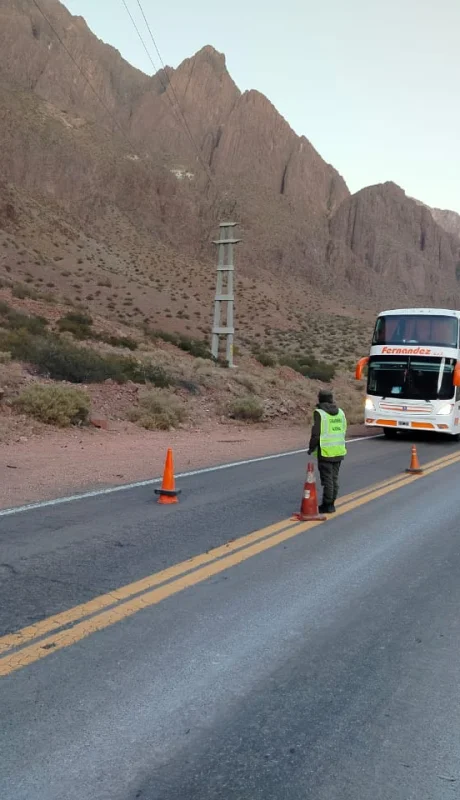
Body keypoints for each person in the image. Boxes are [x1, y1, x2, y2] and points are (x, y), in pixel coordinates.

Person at [307, 389, 347, 514]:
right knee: (334, 479)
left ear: (320, 399)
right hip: (339, 450)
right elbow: (344, 429)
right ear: (331, 398)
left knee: (327, 480)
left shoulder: (319, 413)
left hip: (326, 451)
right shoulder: (340, 412)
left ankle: (328, 505)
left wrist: (311, 447)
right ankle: (332, 502)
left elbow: (316, 433)